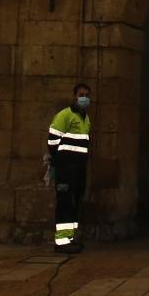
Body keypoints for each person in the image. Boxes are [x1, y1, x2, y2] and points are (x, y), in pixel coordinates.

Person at [44, 82, 92, 254]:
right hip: (66, 167)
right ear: (75, 96)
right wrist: (61, 160)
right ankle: (62, 242)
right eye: (81, 94)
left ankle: (70, 238)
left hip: (79, 167)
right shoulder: (65, 115)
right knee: (65, 202)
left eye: (87, 95)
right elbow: (52, 140)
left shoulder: (85, 118)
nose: (84, 98)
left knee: (75, 202)